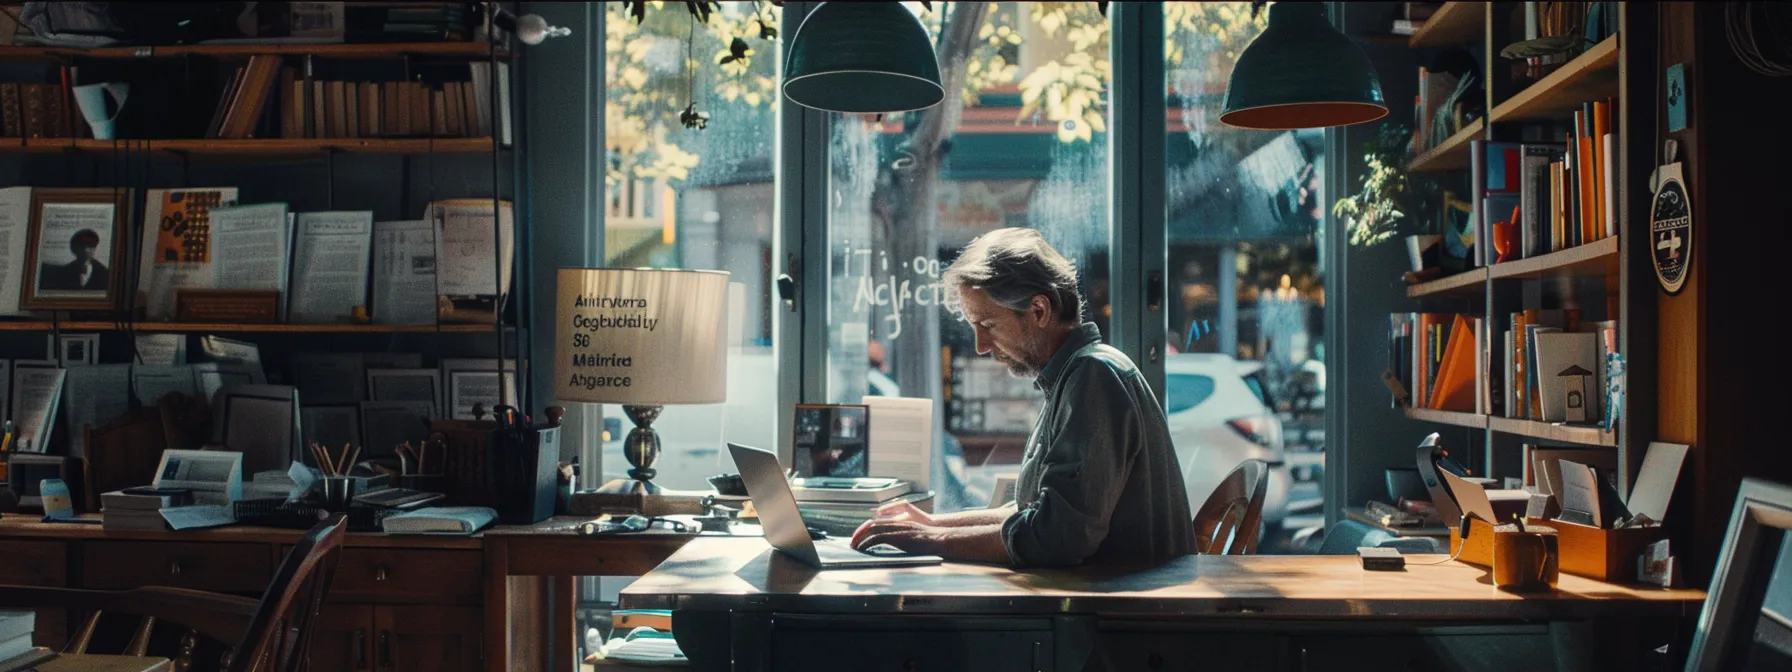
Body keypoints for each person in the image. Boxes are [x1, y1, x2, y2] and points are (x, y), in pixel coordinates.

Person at [851, 228, 1196, 567]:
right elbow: (1033, 512)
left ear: (1039, 311)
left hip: (1116, 616)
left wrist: (929, 541)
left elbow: (1057, 536)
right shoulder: (1077, 376)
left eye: (989, 324)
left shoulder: (1094, 378)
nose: (981, 346)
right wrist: (931, 525)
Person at [39, 229, 108, 291]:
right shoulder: (63, 272)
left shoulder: (104, 273)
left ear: (95, 248)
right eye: (82, 246)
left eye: (90, 246)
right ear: (73, 249)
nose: (86, 250)